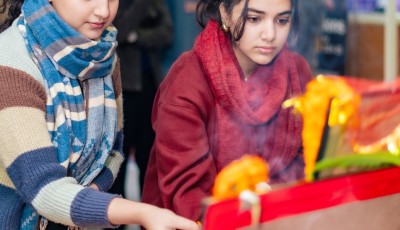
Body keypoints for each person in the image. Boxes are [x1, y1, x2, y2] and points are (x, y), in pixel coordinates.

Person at [0, 0, 198, 229]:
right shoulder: (11, 63)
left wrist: (85, 196)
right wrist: (140, 213)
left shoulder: (102, 53)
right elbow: (45, 189)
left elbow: (112, 150)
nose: (104, 11)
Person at [142, 0, 313, 221]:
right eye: (254, 19)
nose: (270, 34)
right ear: (225, 12)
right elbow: (189, 198)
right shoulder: (188, 83)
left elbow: (307, 160)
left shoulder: (297, 71)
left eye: (282, 20)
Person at [108, 0, 173, 199]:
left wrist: (137, 36)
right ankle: (117, 220)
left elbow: (167, 34)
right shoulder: (113, 4)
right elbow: (117, 31)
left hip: (151, 86)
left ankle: (148, 213)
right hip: (124, 88)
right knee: (119, 157)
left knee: (149, 156)